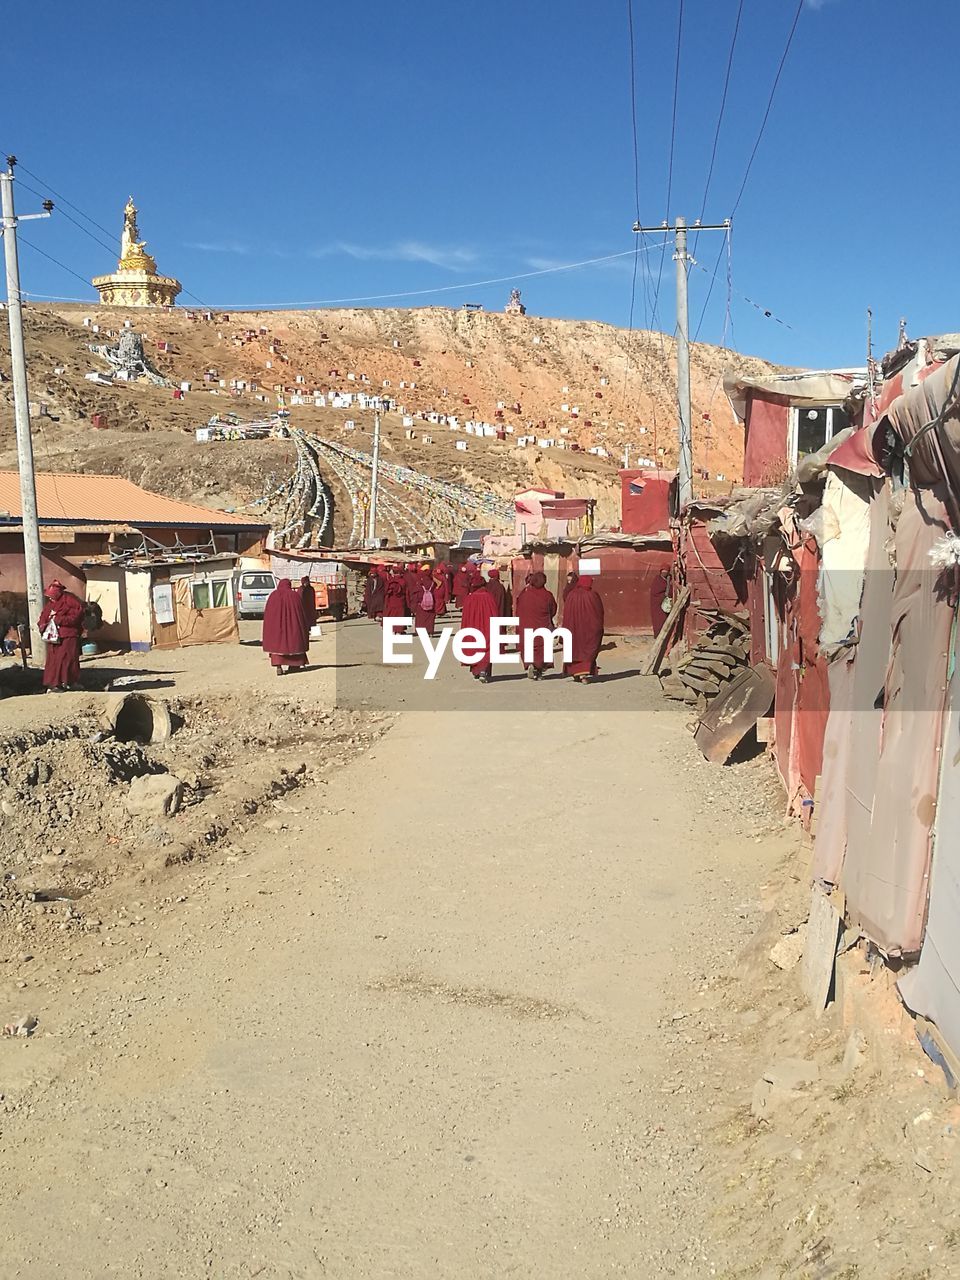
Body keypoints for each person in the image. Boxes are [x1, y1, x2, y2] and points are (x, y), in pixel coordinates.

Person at [37, 580, 85, 692]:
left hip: (68, 636)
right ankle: (54, 684)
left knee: (69, 659)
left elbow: (76, 617)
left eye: (52, 596)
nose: (50, 598)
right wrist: (44, 624)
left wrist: (59, 619)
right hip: (54, 638)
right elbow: (43, 617)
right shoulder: (50, 604)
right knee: (54, 661)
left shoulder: (71, 601)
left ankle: (71, 682)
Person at [261, 578, 309, 675]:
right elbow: (301, 614)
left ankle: (279, 666)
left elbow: (269, 615)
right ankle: (294, 665)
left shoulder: (273, 596)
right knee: (294, 642)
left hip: (277, 629)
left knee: (277, 645)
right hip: (293, 629)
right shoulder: (295, 596)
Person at [515, 570, 557, 680]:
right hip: (542, 625)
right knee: (541, 648)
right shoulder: (547, 595)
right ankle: (538, 669)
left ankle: (530, 664)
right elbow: (553, 609)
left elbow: (518, 608)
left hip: (525, 625)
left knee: (527, 645)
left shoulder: (524, 594)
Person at [562, 575, 605, 683]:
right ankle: (583, 674)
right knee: (588, 648)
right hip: (588, 629)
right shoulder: (592, 595)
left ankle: (576, 672)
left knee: (574, 648)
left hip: (573, 628)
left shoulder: (571, 595)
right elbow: (599, 612)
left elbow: (566, 613)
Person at [460, 576, 497, 683]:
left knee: (474, 647)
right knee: (486, 647)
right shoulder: (489, 597)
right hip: (487, 627)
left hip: (473, 628)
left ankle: (477, 670)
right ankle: (482, 671)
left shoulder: (469, 598)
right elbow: (494, 614)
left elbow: (465, 618)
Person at [408, 564, 439, 637]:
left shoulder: (420, 582)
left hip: (421, 603)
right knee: (430, 618)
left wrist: (414, 605)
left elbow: (416, 593)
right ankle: (429, 631)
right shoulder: (433, 583)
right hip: (431, 603)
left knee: (420, 618)